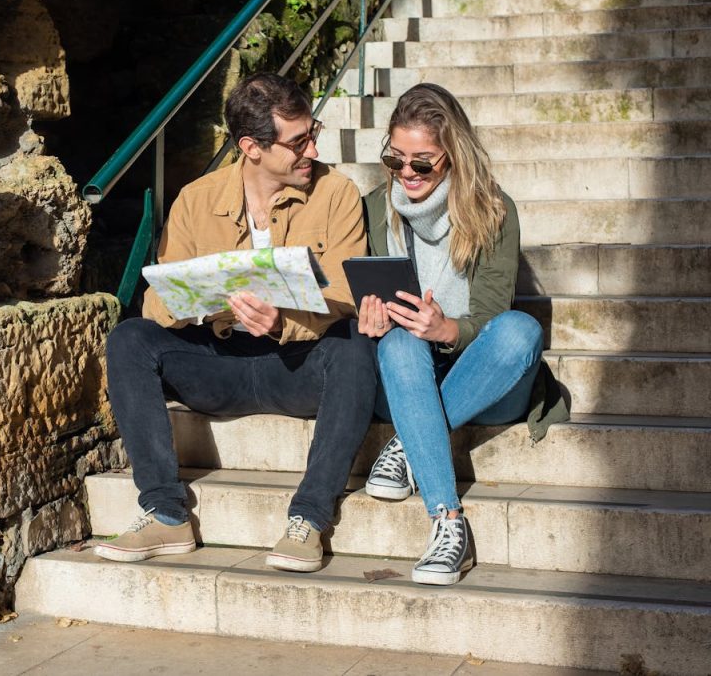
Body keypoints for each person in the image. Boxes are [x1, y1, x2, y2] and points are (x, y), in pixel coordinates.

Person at [95, 72, 378, 572]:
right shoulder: (196, 199)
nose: (312, 149)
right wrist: (210, 299)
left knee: (355, 345)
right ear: (252, 147)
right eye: (298, 142)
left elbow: (347, 293)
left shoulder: (337, 193)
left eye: (312, 133)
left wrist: (281, 320)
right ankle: (165, 512)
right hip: (219, 360)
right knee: (130, 338)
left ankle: (308, 519)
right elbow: (157, 303)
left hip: (298, 364)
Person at [357, 83, 568, 586]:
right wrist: (366, 320)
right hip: (406, 375)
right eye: (395, 159)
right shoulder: (371, 209)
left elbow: (494, 314)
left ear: (453, 156)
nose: (406, 173)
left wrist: (447, 328)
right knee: (402, 340)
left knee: (520, 331)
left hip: (483, 378)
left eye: (422, 163)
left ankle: (410, 442)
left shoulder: (493, 210)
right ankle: (448, 523)